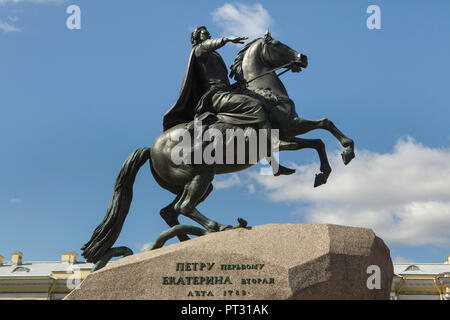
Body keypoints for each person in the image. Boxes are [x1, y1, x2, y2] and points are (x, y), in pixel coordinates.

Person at [163, 26, 295, 176]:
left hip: (225, 91)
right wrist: (226, 39)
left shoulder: (215, 55)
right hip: (215, 95)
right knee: (254, 106)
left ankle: (274, 165)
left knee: (258, 102)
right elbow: (207, 46)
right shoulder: (199, 51)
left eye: (207, 31)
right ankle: (273, 141)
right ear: (197, 38)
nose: (207, 32)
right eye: (203, 32)